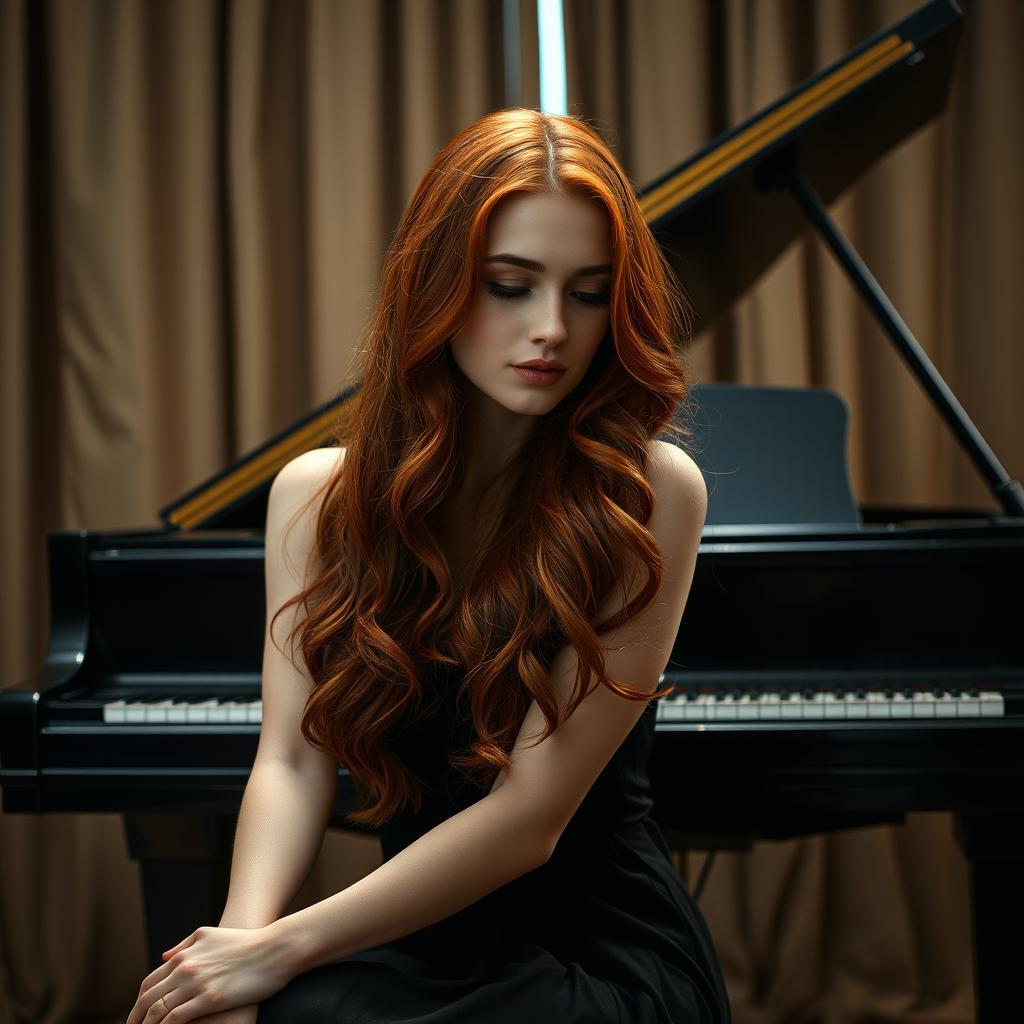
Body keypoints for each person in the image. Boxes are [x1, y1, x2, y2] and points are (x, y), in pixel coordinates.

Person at [126, 107, 730, 1024]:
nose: (552, 329)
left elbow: (531, 820)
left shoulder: (649, 491)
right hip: (412, 941)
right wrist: (235, 959)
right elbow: (291, 760)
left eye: (587, 292)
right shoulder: (316, 497)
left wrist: (280, 949)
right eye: (510, 285)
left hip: (605, 959)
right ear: (439, 282)